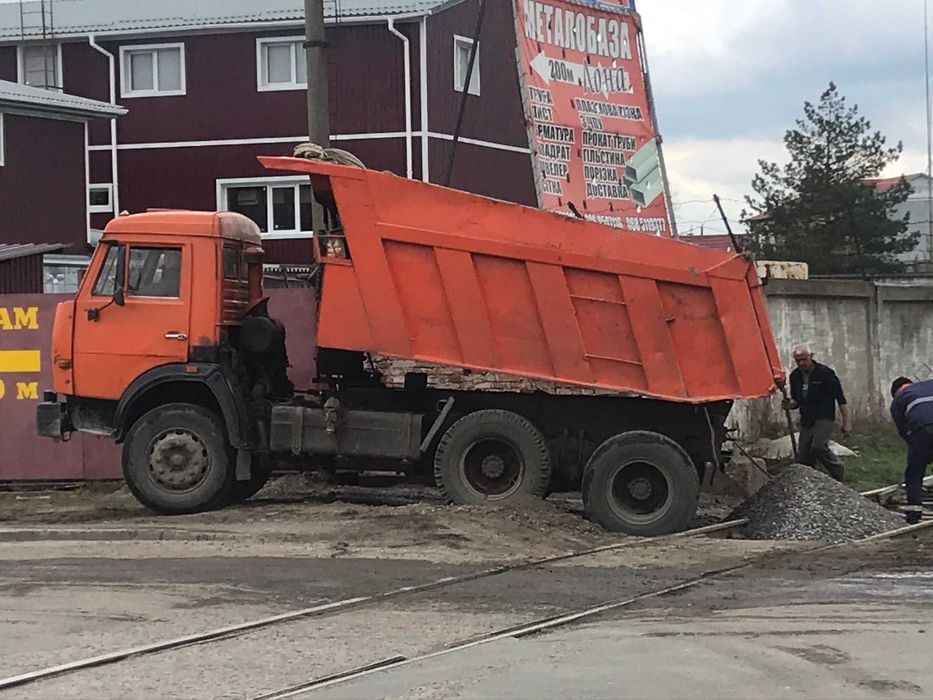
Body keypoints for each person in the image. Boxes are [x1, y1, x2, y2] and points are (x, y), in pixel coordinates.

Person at [781, 346, 852, 482]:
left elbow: (841, 399)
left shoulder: (825, 373)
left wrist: (847, 423)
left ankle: (837, 470)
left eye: (804, 360)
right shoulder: (795, 376)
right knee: (803, 454)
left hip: (824, 416)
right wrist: (790, 405)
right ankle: (811, 482)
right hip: (807, 418)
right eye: (798, 361)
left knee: (818, 446)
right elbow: (797, 401)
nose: (801, 363)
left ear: (811, 357)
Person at [889, 377, 933, 524]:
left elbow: (904, 431)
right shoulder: (929, 384)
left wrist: (920, 452)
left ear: (896, 391)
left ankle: (914, 514)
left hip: (922, 428)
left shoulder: (898, 400)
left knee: (914, 471)